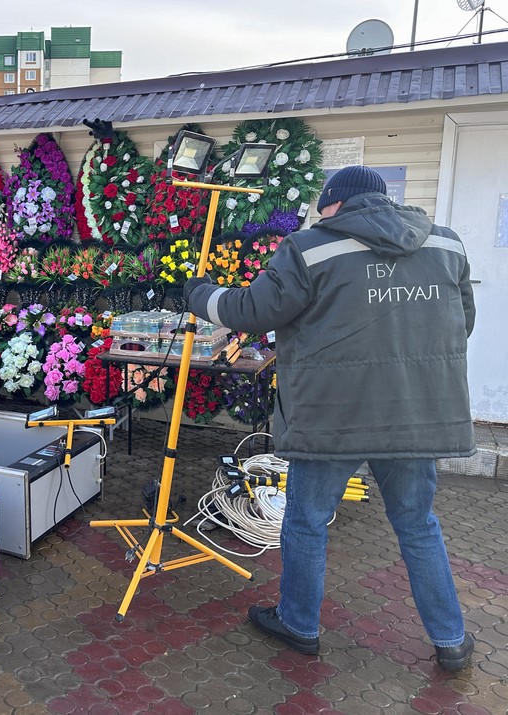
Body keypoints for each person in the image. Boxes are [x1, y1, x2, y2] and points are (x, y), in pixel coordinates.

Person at [183, 165, 476, 671]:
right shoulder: (446, 245)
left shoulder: (309, 247)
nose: (322, 216)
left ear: (336, 203)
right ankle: (450, 639)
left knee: (306, 522)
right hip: (413, 416)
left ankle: (299, 625)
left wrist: (200, 294)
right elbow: (461, 322)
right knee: (417, 524)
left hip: (330, 417)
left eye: (324, 207)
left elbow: (254, 310)